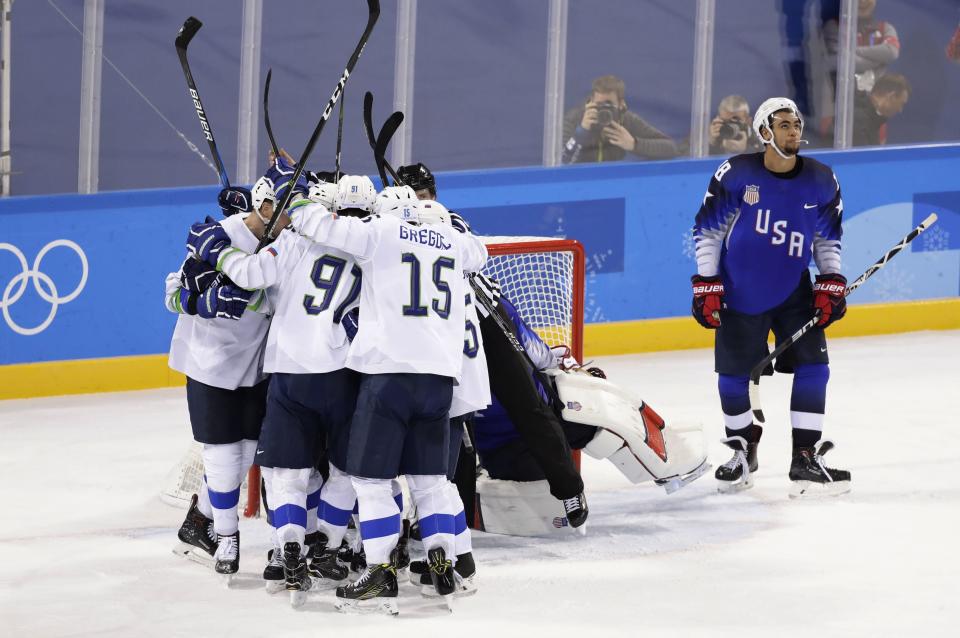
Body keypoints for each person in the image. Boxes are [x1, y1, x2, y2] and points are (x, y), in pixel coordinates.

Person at [285, 192, 488, 613]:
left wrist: (302, 201)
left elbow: (320, 226)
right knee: (430, 482)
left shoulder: (380, 232)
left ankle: (379, 572)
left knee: (372, 482)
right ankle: (441, 560)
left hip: (389, 377)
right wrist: (442, 226)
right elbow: (480, 251)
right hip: (439, 382)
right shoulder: (451, 240)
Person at [691, 96, 851, 498]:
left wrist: (830, 279)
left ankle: (805, 457)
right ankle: (743, 449)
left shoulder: (821, 179)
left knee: (816, 368)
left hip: (792, 290)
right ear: (764, 132)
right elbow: (708, 231)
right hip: (739, 291)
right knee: (731, 378)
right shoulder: (736, 173)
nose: (793, 130)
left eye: (795, 123)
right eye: (782, 124)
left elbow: (826, 237)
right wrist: (706, 283)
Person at [165, 177, 273, 581]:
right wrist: (203, 301)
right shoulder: (218, 236)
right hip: (208, 364)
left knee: (245, 455)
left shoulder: (284, 242)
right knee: (223, 456)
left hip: (254, 364)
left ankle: (200, 521)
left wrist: (251, 296)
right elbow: (171, 294)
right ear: (263, 209)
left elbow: (278, 295)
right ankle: (226, 535)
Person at [561, 75, 677, 164]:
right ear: (591, 101)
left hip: (613, 181)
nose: (603, 110)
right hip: (580, 181)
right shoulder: (576, 118)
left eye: (609, 104)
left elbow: (670, 148)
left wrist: (634, 144)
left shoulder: (626, 119)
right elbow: (562, 160)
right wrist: (581, 132)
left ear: (621, 104)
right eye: (599, 104)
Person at [851, 72, 911, 147]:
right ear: (891, 96)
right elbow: (865, 158)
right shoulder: (860, 122)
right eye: (901, 104)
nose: (900, 110)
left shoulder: (871, 120)